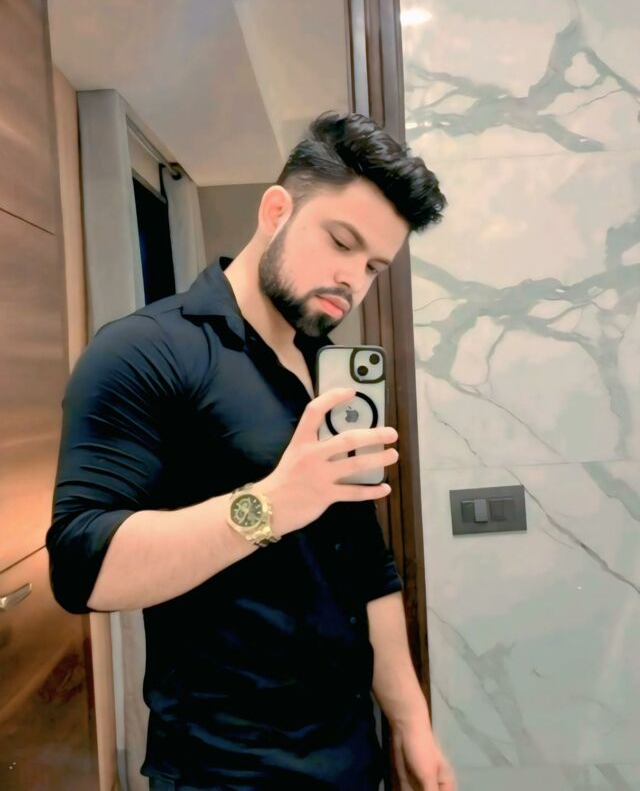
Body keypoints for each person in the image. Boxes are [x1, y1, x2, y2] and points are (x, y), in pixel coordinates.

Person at [47, 112, 456, 791]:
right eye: (341, 242)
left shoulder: (326, 367)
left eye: (373, 266)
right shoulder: (145, 349)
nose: (352, 278)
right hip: (224, 770)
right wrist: (271, 504)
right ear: (275, 211)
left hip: (352, 754)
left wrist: (411, 723)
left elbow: (367, 565)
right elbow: (81, 567)